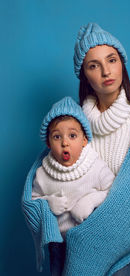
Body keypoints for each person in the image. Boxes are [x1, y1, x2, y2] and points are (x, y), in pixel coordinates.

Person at [22, 23, 130, 276]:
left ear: (122, 63)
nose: (106, 71)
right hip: (78, 236)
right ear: (84, 75)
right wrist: (50, 205)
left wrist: (91, 229)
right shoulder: (73, 126)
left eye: (112, 60)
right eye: (93, 65)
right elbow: (48, 174)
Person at [22, 96, 115, 276]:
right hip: (58, 243)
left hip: (89, 241)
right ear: (48, 143)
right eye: (57, 137)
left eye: (72, 136)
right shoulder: (43, 174)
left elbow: (112, 189)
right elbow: (33, 200)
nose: (65, 143)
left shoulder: (94, 166)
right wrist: (47, 202)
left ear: (84, 140)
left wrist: (90, 200)